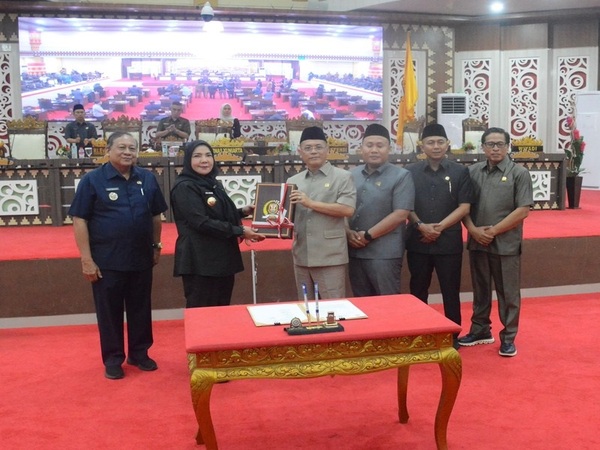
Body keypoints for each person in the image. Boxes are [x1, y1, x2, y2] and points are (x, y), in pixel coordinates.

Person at [68, 131, 168, 380]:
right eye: (122, 147)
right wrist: (86, 259)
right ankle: (113, 359)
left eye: (132, 148)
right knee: (109, 312)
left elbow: (156, 216)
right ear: (108, 151)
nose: (127, 152)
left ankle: (139, 353)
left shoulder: (147, 178)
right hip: (107, 260)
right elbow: (79, 220)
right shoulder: (92, 180)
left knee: (141, 308)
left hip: (141, 257)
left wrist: (156, 246)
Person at [458, 127, 533, 357]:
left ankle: (508, 338)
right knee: (480, 289)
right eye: (490, 144)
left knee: (508, 293)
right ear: (482, 147)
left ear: (508, 146)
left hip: (506, 244)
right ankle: (480, 329)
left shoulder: (519, 173)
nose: (495, 148)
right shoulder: (472, 172)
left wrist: (493, 231)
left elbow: (522, 210)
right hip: (477, 241)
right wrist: (472, 230)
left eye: (500, 144)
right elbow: (463, 206)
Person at [170, 140, 265, 308]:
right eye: (197, 156)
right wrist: (239, 231)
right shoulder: (185, 187)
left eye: (208, 155)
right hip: (200, 262)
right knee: (202, 313)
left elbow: (218, 215)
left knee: (221, 312)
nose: (204, 160)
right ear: (188, 160)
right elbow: (201, 222)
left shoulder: (213, 183)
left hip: (221, 259)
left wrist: (243, 211)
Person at [405, 123, 474, 348]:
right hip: (418, 240)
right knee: (418, 290)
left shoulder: (460, 172)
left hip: (448, 242)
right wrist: (421, 226)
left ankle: (452, 336)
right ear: (422, 145)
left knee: (450, 290)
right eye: (430, 142)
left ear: (447, 144)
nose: (436, 146)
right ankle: (419, 334)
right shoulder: (410, 172)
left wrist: (438, 228)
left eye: (440, 142)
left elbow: (464, 206)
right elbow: (405, 205)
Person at [288, 126, 356, 300]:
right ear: (300, 152)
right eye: (308, 148)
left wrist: (310, 203)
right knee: (306, 307)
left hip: (329, 256)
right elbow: (288, 215)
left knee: (333, 307)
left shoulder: (342, 177)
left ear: (327, 150)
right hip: (302, 255)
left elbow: (347, 209)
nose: (313, 151)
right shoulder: (293, 181)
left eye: (318, 147)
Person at [347, 123, 414, 296]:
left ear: (389, 149)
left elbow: (401, 214)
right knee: (362, 303)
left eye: (380, 145)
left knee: (387, 303)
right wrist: (348, 232)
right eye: (369, 145)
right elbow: (343, 208)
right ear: (361, 148)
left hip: (384, 253)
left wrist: (368, 235)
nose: (374, 150)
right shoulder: (351, 175)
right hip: (355, 250)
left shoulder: (401, 176)